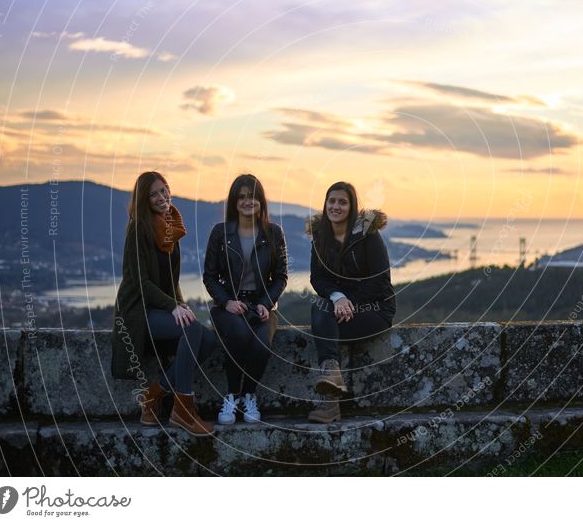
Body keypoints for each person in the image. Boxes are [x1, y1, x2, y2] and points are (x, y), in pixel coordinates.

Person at [111, 171, 216, 437]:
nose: (162, 197)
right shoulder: (138, 229)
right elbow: (141, 282)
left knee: (209, 340)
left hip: (160, 307)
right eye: (154, 193)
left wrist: (180, 304)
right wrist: (172, 306)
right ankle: (183, 409)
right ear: (144, 200)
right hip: (138, 311)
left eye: (164, 190)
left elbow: (170, 281)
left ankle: (153, 396)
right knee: (192, 330)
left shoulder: (170, 229)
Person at [306, 181, 397, 423]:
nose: (336, 206)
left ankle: (329, 406)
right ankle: (332, 379)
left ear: (352, 206)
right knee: (319, 307)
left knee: (324, 327)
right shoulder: (320, 237)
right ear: (325, 204)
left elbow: (380, 281)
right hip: (341, 308)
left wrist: (351, 302)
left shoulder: (368, 235)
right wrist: (338, 297)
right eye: (331, 201)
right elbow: (318, 278)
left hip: (376, 309)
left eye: (342, 202)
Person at [203, 174, 288, 425]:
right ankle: (231, 395)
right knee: (239, 335)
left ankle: (249, 395)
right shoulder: (220, 233)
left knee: (261, 345)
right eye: (241, 197)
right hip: (227, 305)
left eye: (252, 196)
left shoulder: (274, 233)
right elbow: (209, 276)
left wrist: (266, 303)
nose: (247, 201)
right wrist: (226, 302)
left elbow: (281, 276)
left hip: (261, 306)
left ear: (260, 201)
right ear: (233, 201)